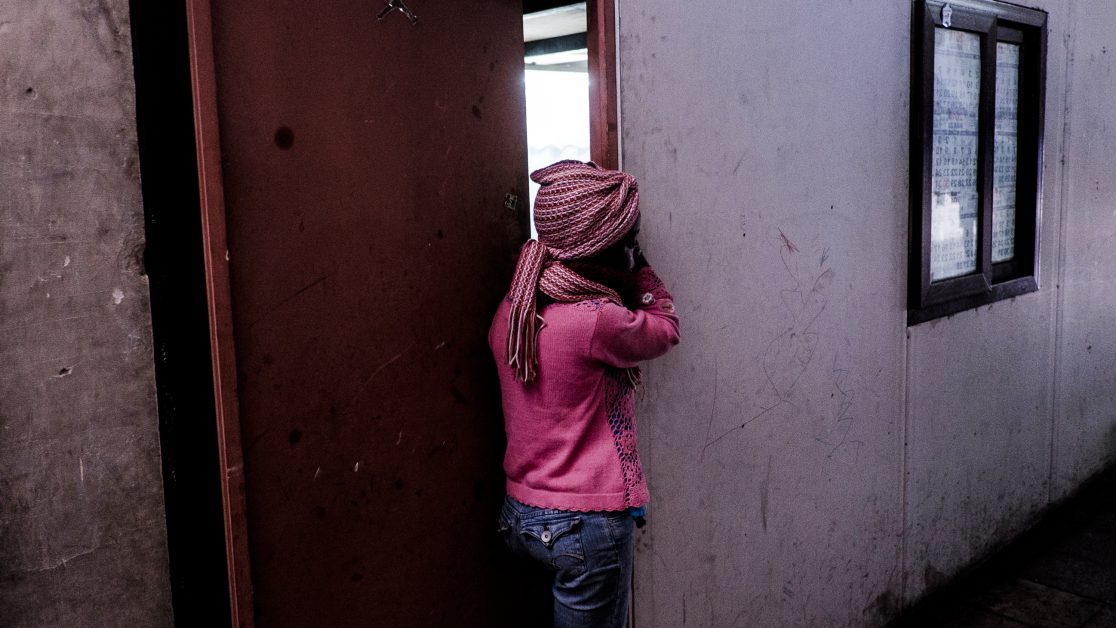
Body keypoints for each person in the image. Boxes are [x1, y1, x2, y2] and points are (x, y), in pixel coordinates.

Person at [489, 160, 681, 627]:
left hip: (521, 514)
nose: (631, 247)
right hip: (584, 524)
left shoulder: (514, 308)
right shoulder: (596, 319)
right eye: (626, 239)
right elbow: (666, 329)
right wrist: (642, 271)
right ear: (603, 248)